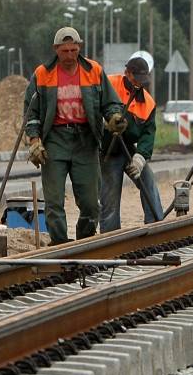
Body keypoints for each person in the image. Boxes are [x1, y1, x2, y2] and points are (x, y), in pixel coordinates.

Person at [24, 27, 126, 245]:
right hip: (55, 141)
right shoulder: (42, 74)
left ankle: (84, 242)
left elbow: (110, 102)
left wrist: (115, 117)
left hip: (85, 140)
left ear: (79, 47)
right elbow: (31, 112)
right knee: (54, 201)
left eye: (73, 50)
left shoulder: (94, 71)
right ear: (56, 50)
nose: (69, 55)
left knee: (91, 203)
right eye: (65, 51)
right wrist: (34, 139)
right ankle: (60, 244)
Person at [100, 51, 162, 230]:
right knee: (110, 197)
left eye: (142, 80)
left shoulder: (148, 103)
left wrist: (140, 158)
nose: (139, 84)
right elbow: (91, 104)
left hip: (127, 148)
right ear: (127, 73)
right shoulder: (110, 84)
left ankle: (156, 226)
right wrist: (103, 122)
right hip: (107, 149)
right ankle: (110, 237)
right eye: (136, 78)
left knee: (148, 181)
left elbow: (148, 133)